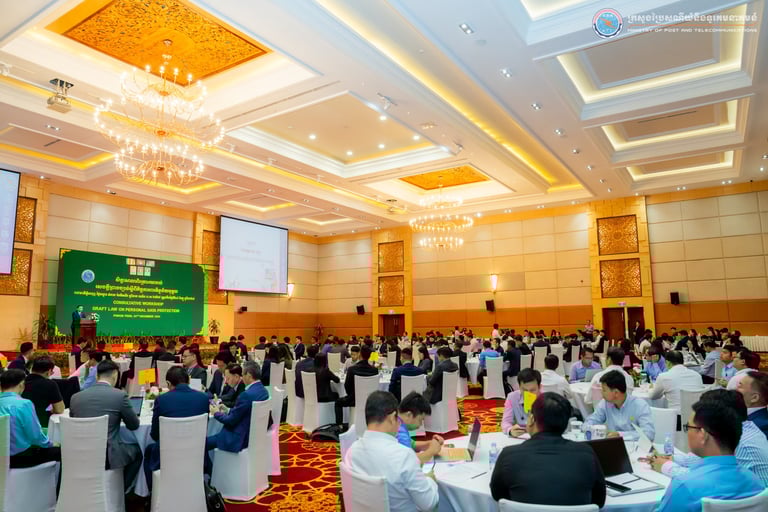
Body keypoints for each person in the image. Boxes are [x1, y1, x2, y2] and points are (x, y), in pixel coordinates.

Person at [654, 391, 765, 511]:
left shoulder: (685, 486)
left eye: (688, 427)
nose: (687, 433)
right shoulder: (755, 482)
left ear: (703, 435)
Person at [491, 392, 606, 507]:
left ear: (531, 419)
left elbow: (498, 495)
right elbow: (599, 501)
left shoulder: (509, 455)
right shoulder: (586, 455)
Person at [345, 391, 438, 512]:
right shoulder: (404, 456)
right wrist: (430, 480)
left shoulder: (351, 451)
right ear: (391, 417)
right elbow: (429, 503)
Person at [70, 360, 142, 492]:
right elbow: (134, 425)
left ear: (97, 376)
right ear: (115, 376)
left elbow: (74, 423)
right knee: (139, 452)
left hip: (79, 452)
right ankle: (121, 490)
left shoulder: (75, 397)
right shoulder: (119, 396)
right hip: (108, 455)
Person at [143, 366, 209, 492]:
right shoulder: (203, 398)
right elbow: (204, 429)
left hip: (168, 456)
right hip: (197, 454)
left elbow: (155, 434)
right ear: (188, 380)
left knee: (148, 451)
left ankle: (153, 492)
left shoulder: (162, 400)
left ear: (168, 384)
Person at [205, 361, 271, 475]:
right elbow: (244, 412)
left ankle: (211, 474)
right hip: (252, 434)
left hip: (238, 438)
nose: (241, 377)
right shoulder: (263, 390)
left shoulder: (246, 395)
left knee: (202, 444)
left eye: (243, 374)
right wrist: (228, 410)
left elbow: (230, 421)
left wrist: (216, 413)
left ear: (249, 375)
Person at [0, 369, 61, 468]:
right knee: (62, 451)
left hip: (2, 458)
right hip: (21, 457)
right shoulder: (24, 404)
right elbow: (35, 436)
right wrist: (52, 444)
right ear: (21, 385)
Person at [583, 370, 654, 441]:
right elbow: (591, 421)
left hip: (635, 446)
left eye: (604, 390)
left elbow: (649, 434)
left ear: (616, 393)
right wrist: (589, 428)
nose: (601, 392)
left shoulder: (640, 405)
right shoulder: (605, 403)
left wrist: (620, 435)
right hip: (613, 445)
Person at [335, 345, 378, 426]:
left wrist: (351, 395)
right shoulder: (374, 370)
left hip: (353, 399)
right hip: (370, 400)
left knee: (338, 403)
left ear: (360, 355)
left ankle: (339, 426)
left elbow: (347, 386)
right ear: (369, 356)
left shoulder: (352, 369)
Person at [396, 392, 444, 464]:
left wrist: (431, 444)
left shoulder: (399, 423)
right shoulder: (399, 432)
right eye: (420, 420)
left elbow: (412, 444)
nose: (421, 424)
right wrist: (431, 451)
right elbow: (409, 462)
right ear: (409, 415)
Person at [21, 357, 64, 428]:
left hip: (20, 422)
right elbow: (59, 409)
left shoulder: (20, 382)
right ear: (49, 371)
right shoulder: (50, 384)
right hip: (40, 424)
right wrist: (51, 410)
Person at [502, 368, 541, 437]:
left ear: (539, 387)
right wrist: (510, 430)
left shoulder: (546, 399)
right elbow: (505, 422)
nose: (529, 394)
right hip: (520, 437)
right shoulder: (512, 397)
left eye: (532, 390)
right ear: (519, 387)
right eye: (525, 390)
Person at [737, 371, 768, 438]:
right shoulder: (738, 413)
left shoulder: (762, 427)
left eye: (740, 386)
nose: (734, 389)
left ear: (754, 398)